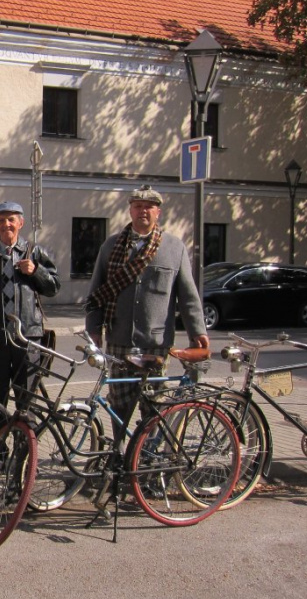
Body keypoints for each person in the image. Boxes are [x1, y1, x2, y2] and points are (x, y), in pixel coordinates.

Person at [85, 184, 209, 430]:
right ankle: (119, 452)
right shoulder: (110, 247)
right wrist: (94, 329)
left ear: (158, 212)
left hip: (156, 344)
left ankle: (147, 461)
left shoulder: (174, 248)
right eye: (138, 206)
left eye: (149, 207)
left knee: (154, 406)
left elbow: (188, 295)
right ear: (130, 211)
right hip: (120, 340)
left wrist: (198, 331)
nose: (143, 211)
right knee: (119, 404)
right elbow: (96, 292)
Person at [0, 201, 60, 423]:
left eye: (11, 219)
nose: (6, 224)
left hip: (28, 339)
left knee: (27, 401)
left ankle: (25, 452)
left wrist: (36, 272)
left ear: (21, 223)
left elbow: (53, 288)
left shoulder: (35, 252)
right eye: (1, 220)